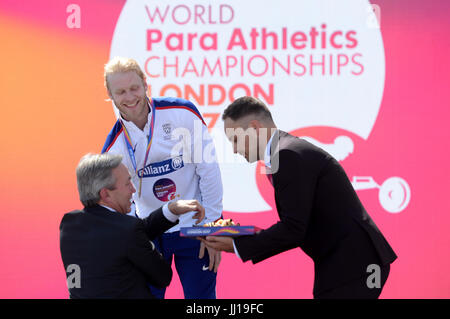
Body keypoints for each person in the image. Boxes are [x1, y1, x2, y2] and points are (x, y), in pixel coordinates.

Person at [201, 96, 398, 299]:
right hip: (346, 265)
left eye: (235, 139)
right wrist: (236, 234)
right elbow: (295, 225)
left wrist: (237, 245)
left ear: (254, 128)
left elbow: (293, 229)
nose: (234, 149)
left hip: (355, 265)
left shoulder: (287, 155)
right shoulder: (286, 152)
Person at [100, 57, 223, 299]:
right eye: (121, 92)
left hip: (194, 226)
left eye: (134, 88)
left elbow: (209, 170)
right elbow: (119, 205)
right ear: (110, 94)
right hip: (150, 233)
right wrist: (132, 241)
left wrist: (213, 227)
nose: (129, 97)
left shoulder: (182, 113)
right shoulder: (113, 148)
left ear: (145, 84)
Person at [59, 153, 206, 298]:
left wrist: (171, 210)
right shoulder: (127, 230)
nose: (133, 190)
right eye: (127, 183)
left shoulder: (69, 224)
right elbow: (163, 276)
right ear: (105, 194)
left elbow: (125, 234)